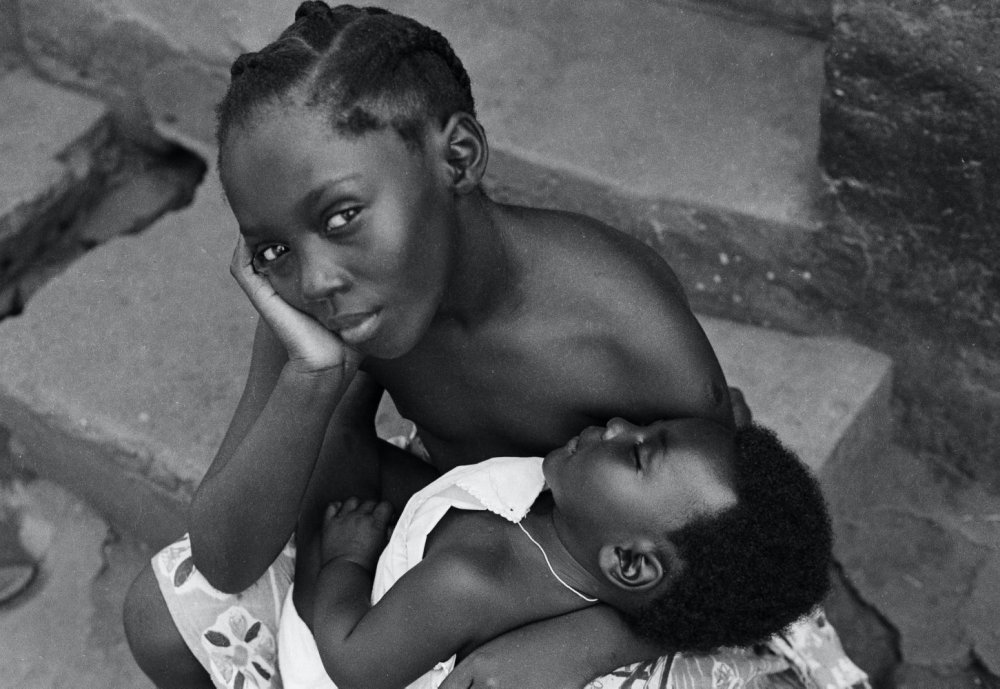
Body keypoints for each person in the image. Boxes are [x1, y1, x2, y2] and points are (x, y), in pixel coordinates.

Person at [122, 4, 869, 689]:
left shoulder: (621, 323)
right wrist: (313, 382)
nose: (315, 275)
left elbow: (718, 552)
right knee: (161, 615)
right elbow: (224, 559)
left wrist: (591, 643)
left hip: (617, 595)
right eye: (271, 248)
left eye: (343, 214)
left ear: (458, 157)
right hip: (468, 536)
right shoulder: (325, 300)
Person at [285, 417, 832, 689]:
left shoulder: (466, 581)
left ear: (630, 563)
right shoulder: (569, 521)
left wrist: (346, 561)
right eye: (646, 429)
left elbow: (352, 664)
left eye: (638, 455)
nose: (619, 425)